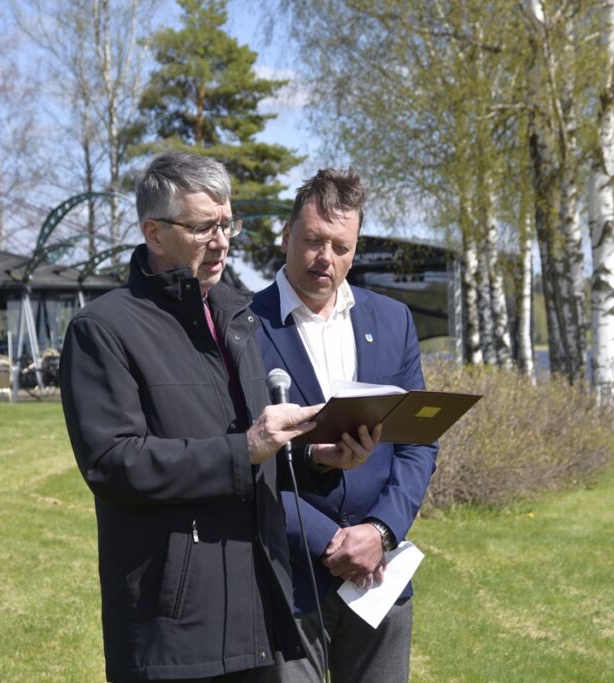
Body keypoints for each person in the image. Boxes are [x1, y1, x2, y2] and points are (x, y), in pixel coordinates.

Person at [59, 152, 380, 683]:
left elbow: (251, 453)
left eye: (227, 224)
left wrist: (316, 460)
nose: (221, 242)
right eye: (203, 227)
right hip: (174, 626)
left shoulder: (236, 317)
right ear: (154, 233)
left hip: (259, 613)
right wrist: (245, 448)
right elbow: (114, 464)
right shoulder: (103, 330)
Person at [252, 169, 438, 683]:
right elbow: (239, 458)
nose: (325, 258)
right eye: (314, 240)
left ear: (355, 249)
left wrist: (380, 531)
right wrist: (329, 541)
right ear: (286, 236)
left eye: (341, 246)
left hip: (380, 579)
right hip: (286, 579)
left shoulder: (393, 320)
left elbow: (418, 443)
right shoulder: (241, 325)